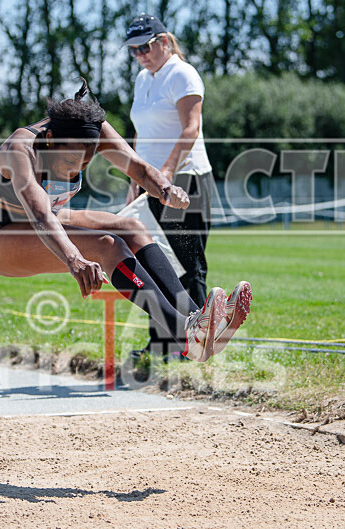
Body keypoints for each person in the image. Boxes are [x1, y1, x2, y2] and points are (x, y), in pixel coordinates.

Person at [0, 78, 251, 361]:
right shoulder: (21, 149)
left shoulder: (94, 129)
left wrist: (166, 190)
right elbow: (40, 215)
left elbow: (138, 168)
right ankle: (183, 334)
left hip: (46, 220)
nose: (75, 170)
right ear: (50, 140)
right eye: (68, 162)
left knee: (132, 227)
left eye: (84, 164)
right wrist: (73, 257)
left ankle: (197, 320)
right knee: (106, 245)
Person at [123, 13, 223, 358]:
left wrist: (164, 175)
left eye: (145, 46)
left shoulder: (182, 74)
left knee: (188, 264)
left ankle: (197, 346)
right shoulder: (142, 78)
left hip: (186, 181)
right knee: (159, 263)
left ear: (164, 41)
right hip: (153, 184)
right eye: (133, 50)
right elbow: (141, 134)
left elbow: (190, 129)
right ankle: (163, 342)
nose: (139, 54)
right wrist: (136, 180)